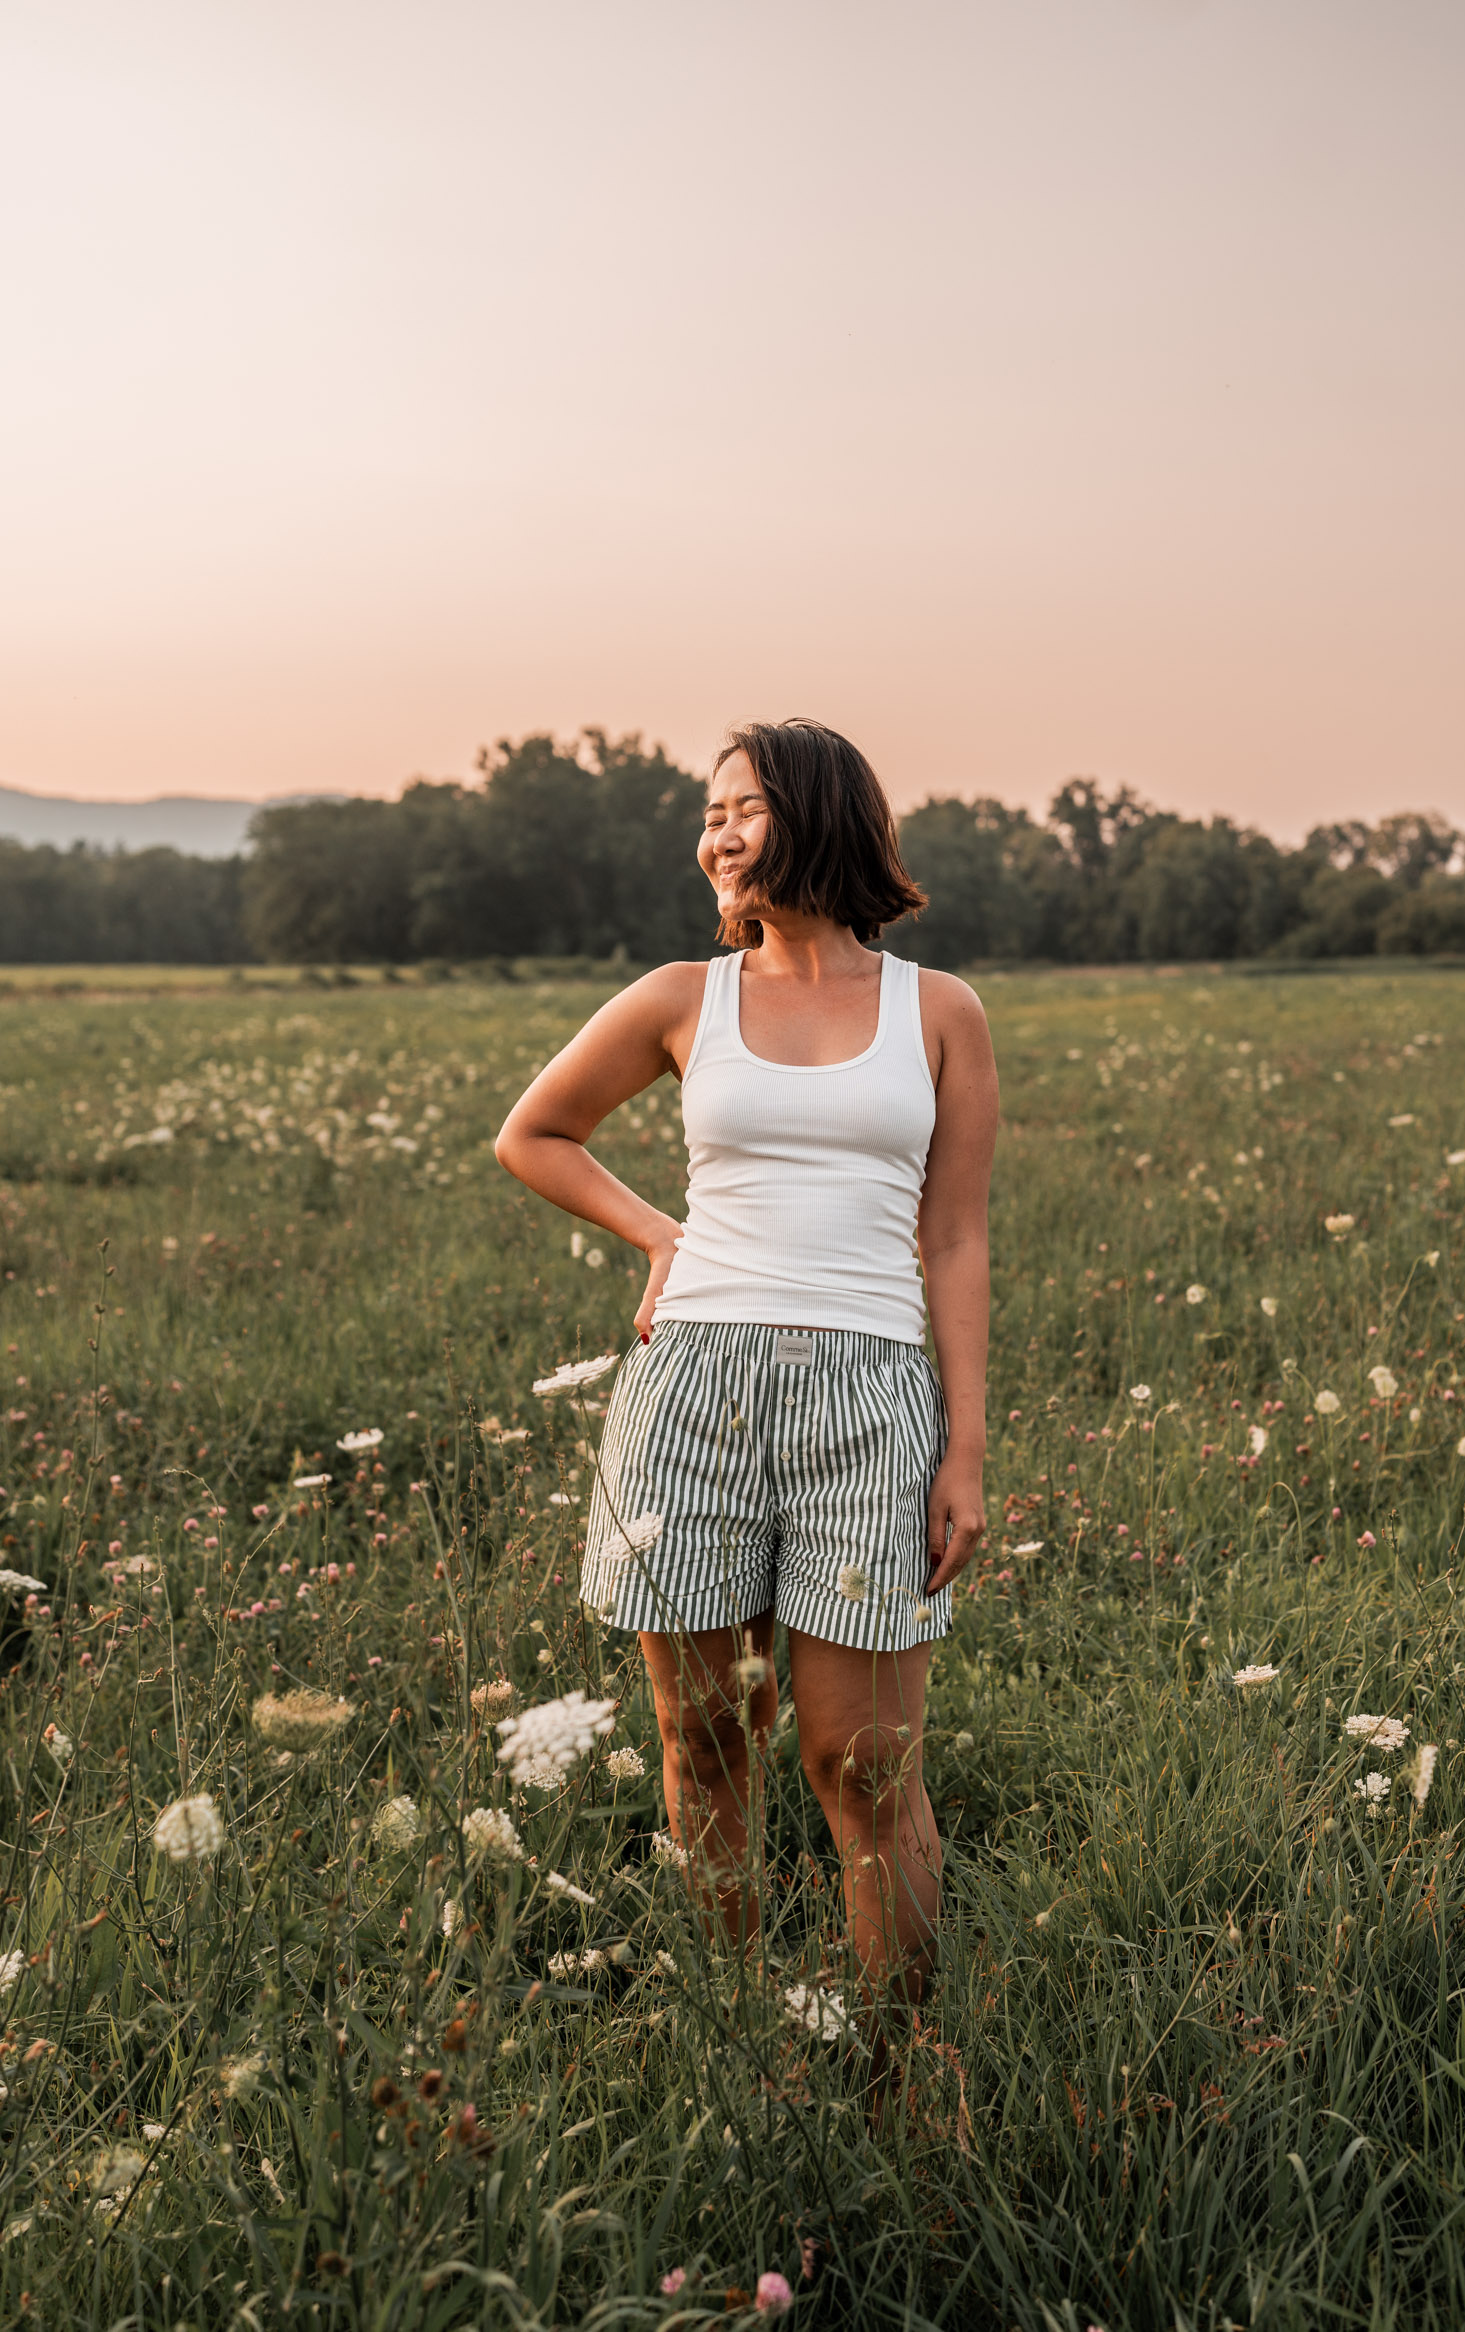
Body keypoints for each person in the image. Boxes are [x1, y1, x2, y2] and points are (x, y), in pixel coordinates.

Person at [495, 718, 997, 2020]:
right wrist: (662, 1230)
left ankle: (901, 2057)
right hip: (693, 1391)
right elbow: (535, 1133)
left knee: (862, 1761)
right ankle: (736, 2036)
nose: (714, 832)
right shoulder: (681, 998)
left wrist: (966, 1448)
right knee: (704, 1740)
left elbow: (955, 1233)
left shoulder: (940, 1010)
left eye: (741, 807)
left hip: (874, 1405)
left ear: (821, 814)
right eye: (707, 812)